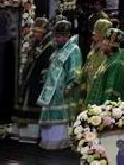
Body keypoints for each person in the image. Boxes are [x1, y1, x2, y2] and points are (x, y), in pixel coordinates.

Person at [37, 19, 83, 151]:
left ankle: (60, 141)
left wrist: (70, 85)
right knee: (50, 112)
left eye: (61, 36)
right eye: (57, 36)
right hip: (51, 89)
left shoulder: (74, 49)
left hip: (63, 88)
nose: (58, 39)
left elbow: (75, 68)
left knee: (61, 114)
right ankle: (48, 140)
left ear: (68, 36)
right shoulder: (56, 50)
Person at [14, 17, 53, 142]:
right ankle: (23, 134)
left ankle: (33, 135)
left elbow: (48, 66)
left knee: (34, 106)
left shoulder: (49, 47)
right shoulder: (35, 44)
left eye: (37, 31)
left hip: (39, 83)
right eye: (34, 31)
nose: (35, 34)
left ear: (44, 32)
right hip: (30, 81)